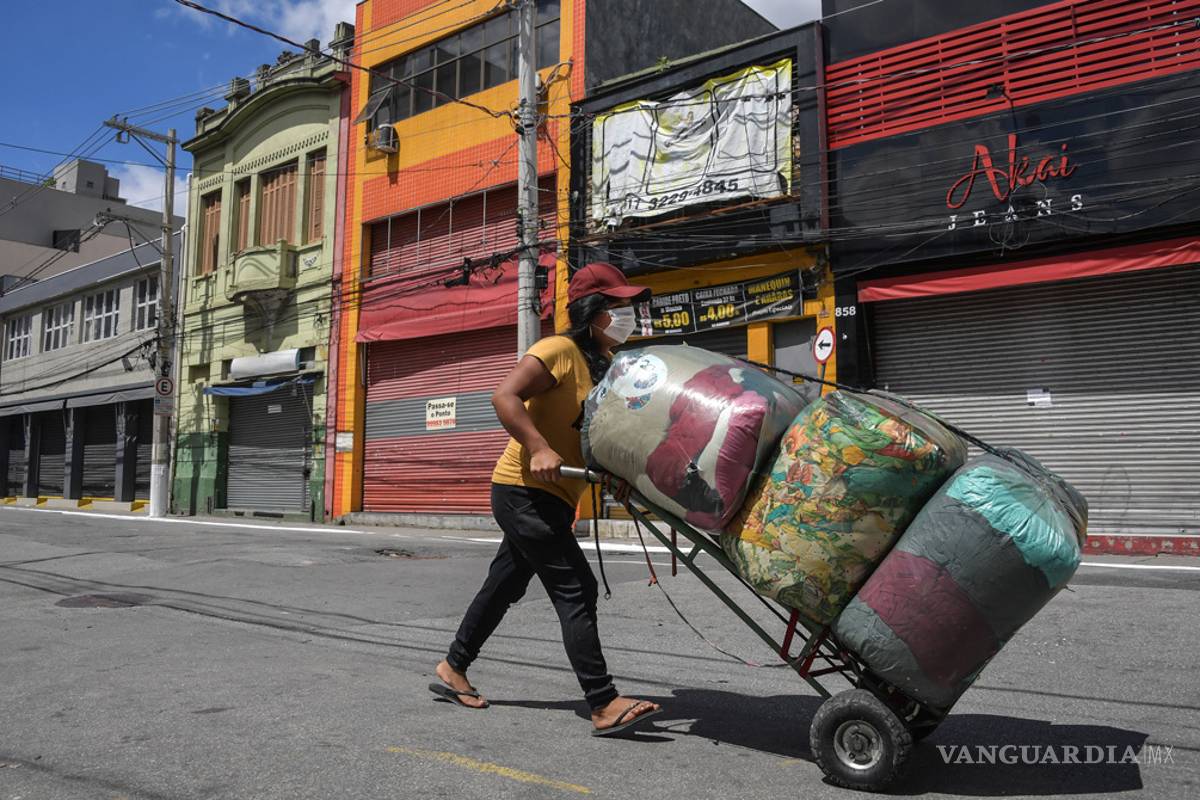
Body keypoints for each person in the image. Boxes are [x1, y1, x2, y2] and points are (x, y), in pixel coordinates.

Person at [430, 262, 663, 737]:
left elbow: (595, 438)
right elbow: (504, 396)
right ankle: (602, 702)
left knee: (505, 584)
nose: (627, 315)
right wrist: (537, 447)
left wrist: (620, 476)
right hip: (523, 491)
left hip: (555, 496)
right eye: (618, 306)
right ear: (593, 311)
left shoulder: (607, 367)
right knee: (576, 587)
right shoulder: (558, 351)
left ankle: (454, 666)